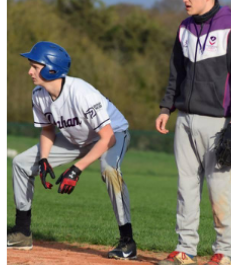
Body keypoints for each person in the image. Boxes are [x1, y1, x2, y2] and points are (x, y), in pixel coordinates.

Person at [7, 42, 136, 261]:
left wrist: (76, 170)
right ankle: (22, 233)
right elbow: (48, 129)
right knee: (21, 162)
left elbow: (107, 138)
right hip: (76, 138)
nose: (30, 71)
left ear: (51, 69)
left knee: (109, 170)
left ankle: (127, 242)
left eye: (35, 66)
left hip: (112, 133)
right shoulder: (39, 94)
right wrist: (45, 159)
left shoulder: (80, 92)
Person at [155, 0, 231, 265]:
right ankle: (185, 249)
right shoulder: (184, 28)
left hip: (218, 124)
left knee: (219, 191)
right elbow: (176, 73)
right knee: (186, 189)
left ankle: (223, 252)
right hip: (185, 119)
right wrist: (165, 107)